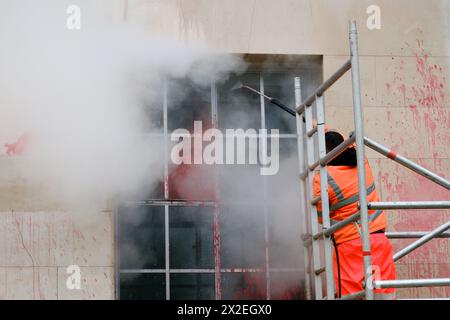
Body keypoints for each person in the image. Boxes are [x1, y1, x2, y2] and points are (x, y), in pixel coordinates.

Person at [313, 129, 397, 299]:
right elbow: (346, 141)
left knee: (351, 296)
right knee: (383, 294)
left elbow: (321, 220)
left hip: (348, 247)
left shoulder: (322, 178)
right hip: (378, 240)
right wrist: (321, 126)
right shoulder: (362, 162)